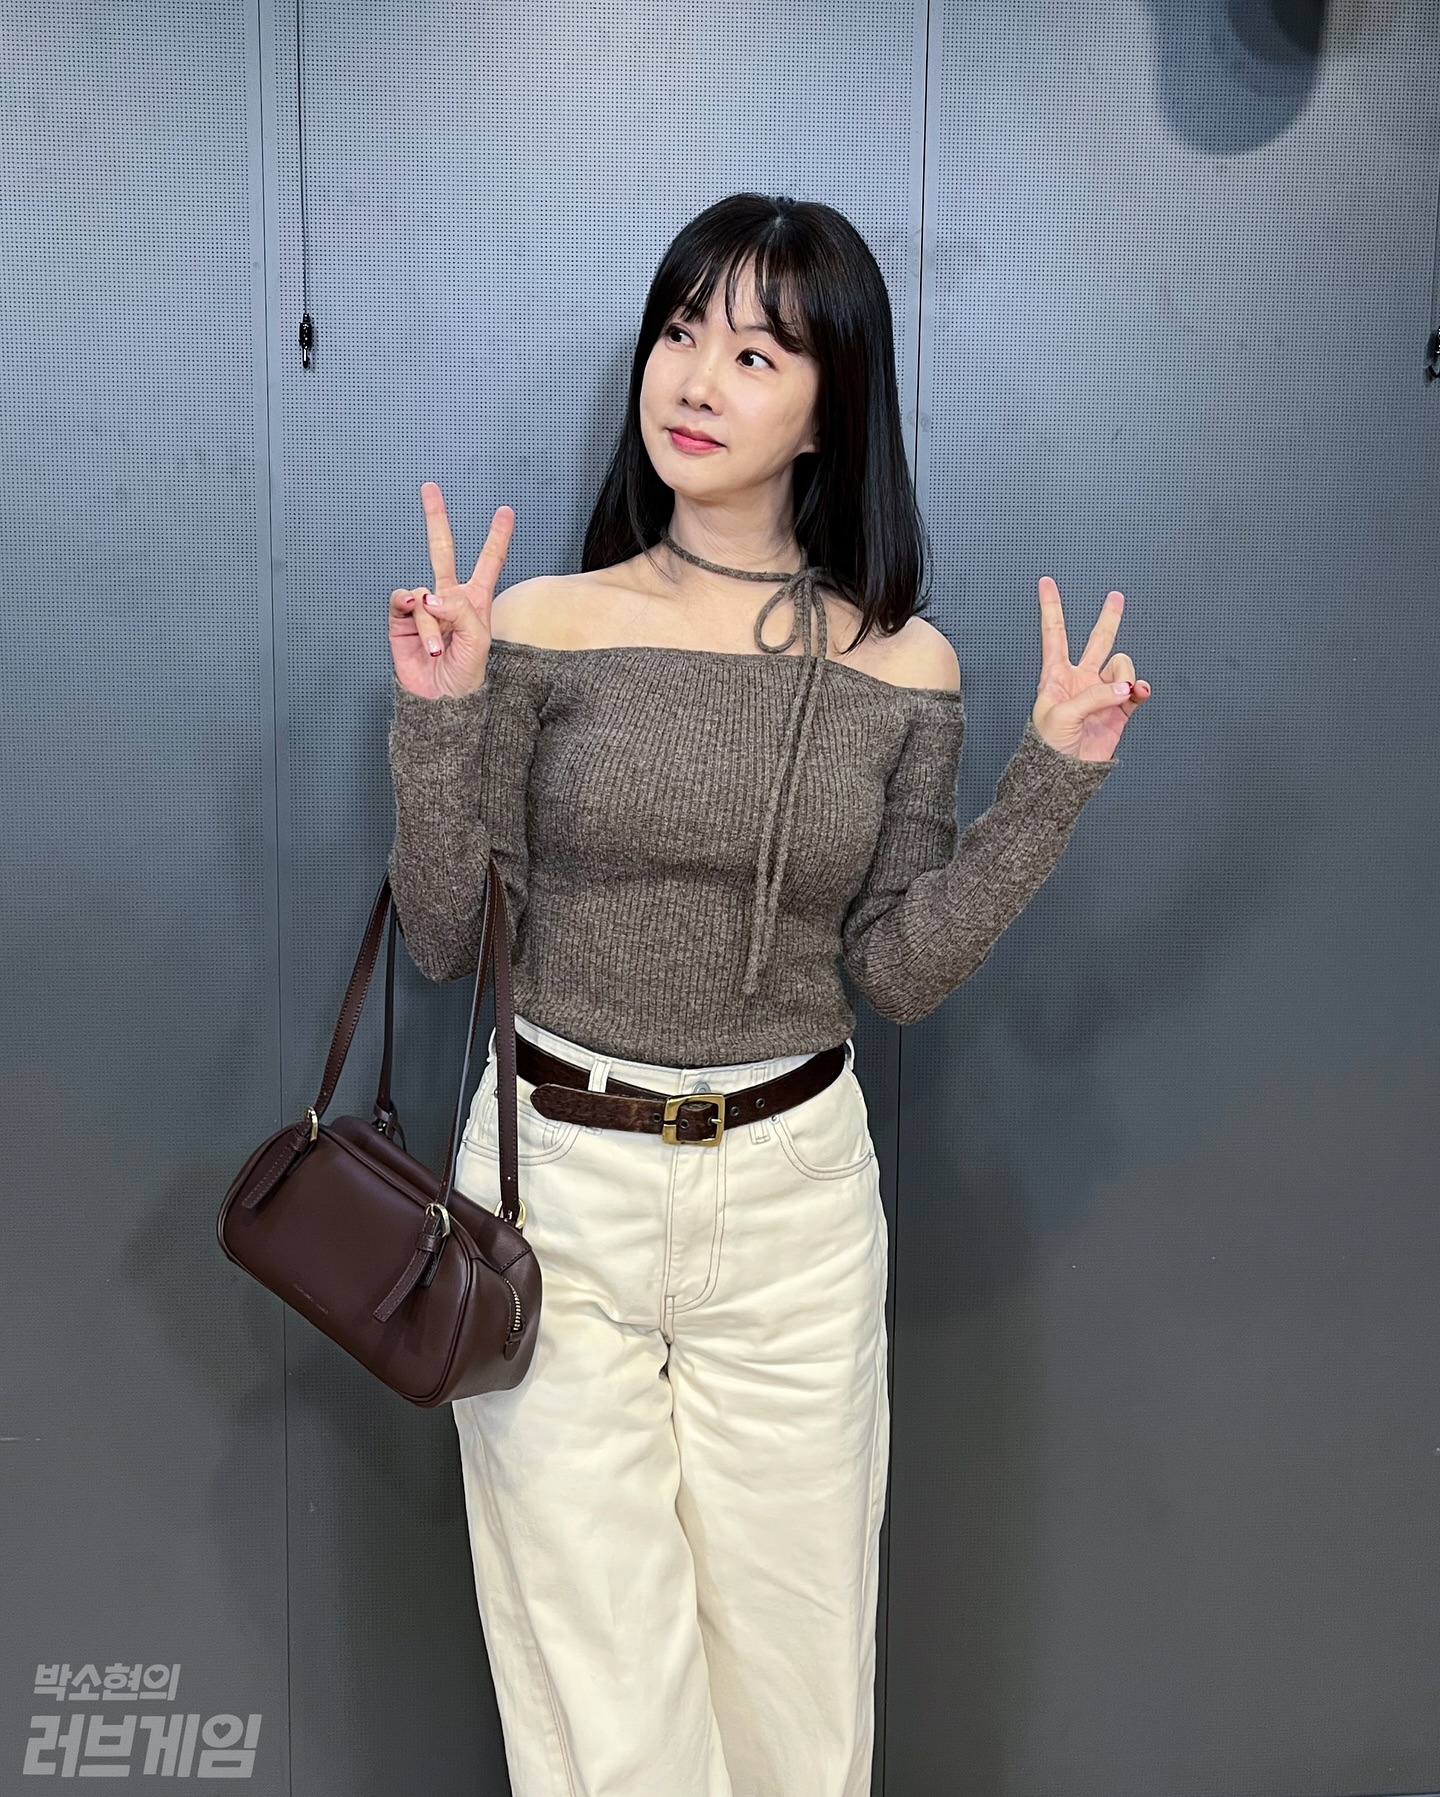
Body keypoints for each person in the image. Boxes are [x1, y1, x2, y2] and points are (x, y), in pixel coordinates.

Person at [384, 192, 1147, 1797]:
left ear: (829, 407)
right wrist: (442, 713)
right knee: (605, 1707)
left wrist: (1049, 786)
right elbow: (447, 935)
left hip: (792, 1205)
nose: (696, 377)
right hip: (554, 1189)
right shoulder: (541, 626)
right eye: (682, 331)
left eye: (754, 351)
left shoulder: (903, 668)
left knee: (797, 1704)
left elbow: (896, 969)